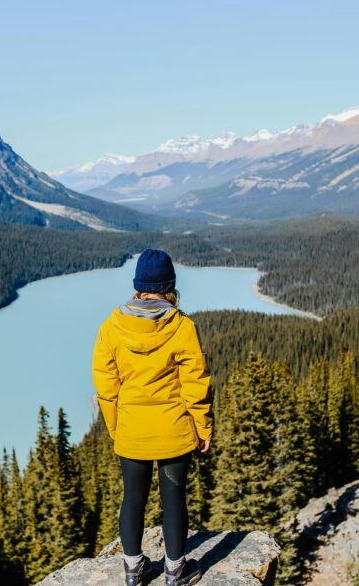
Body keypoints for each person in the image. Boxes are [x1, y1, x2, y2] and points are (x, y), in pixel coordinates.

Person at [91, 248, 213, 586]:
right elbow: (195, 384)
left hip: (131, 430)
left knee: (133, 498)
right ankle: (176, 572)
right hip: (175, 430)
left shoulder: (111, 327)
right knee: (174, 498)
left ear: (138, 286)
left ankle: (133, 570)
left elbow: (106, 385)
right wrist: (203, 428)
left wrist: (117, 427)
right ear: (170, 286)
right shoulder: (183, 326)